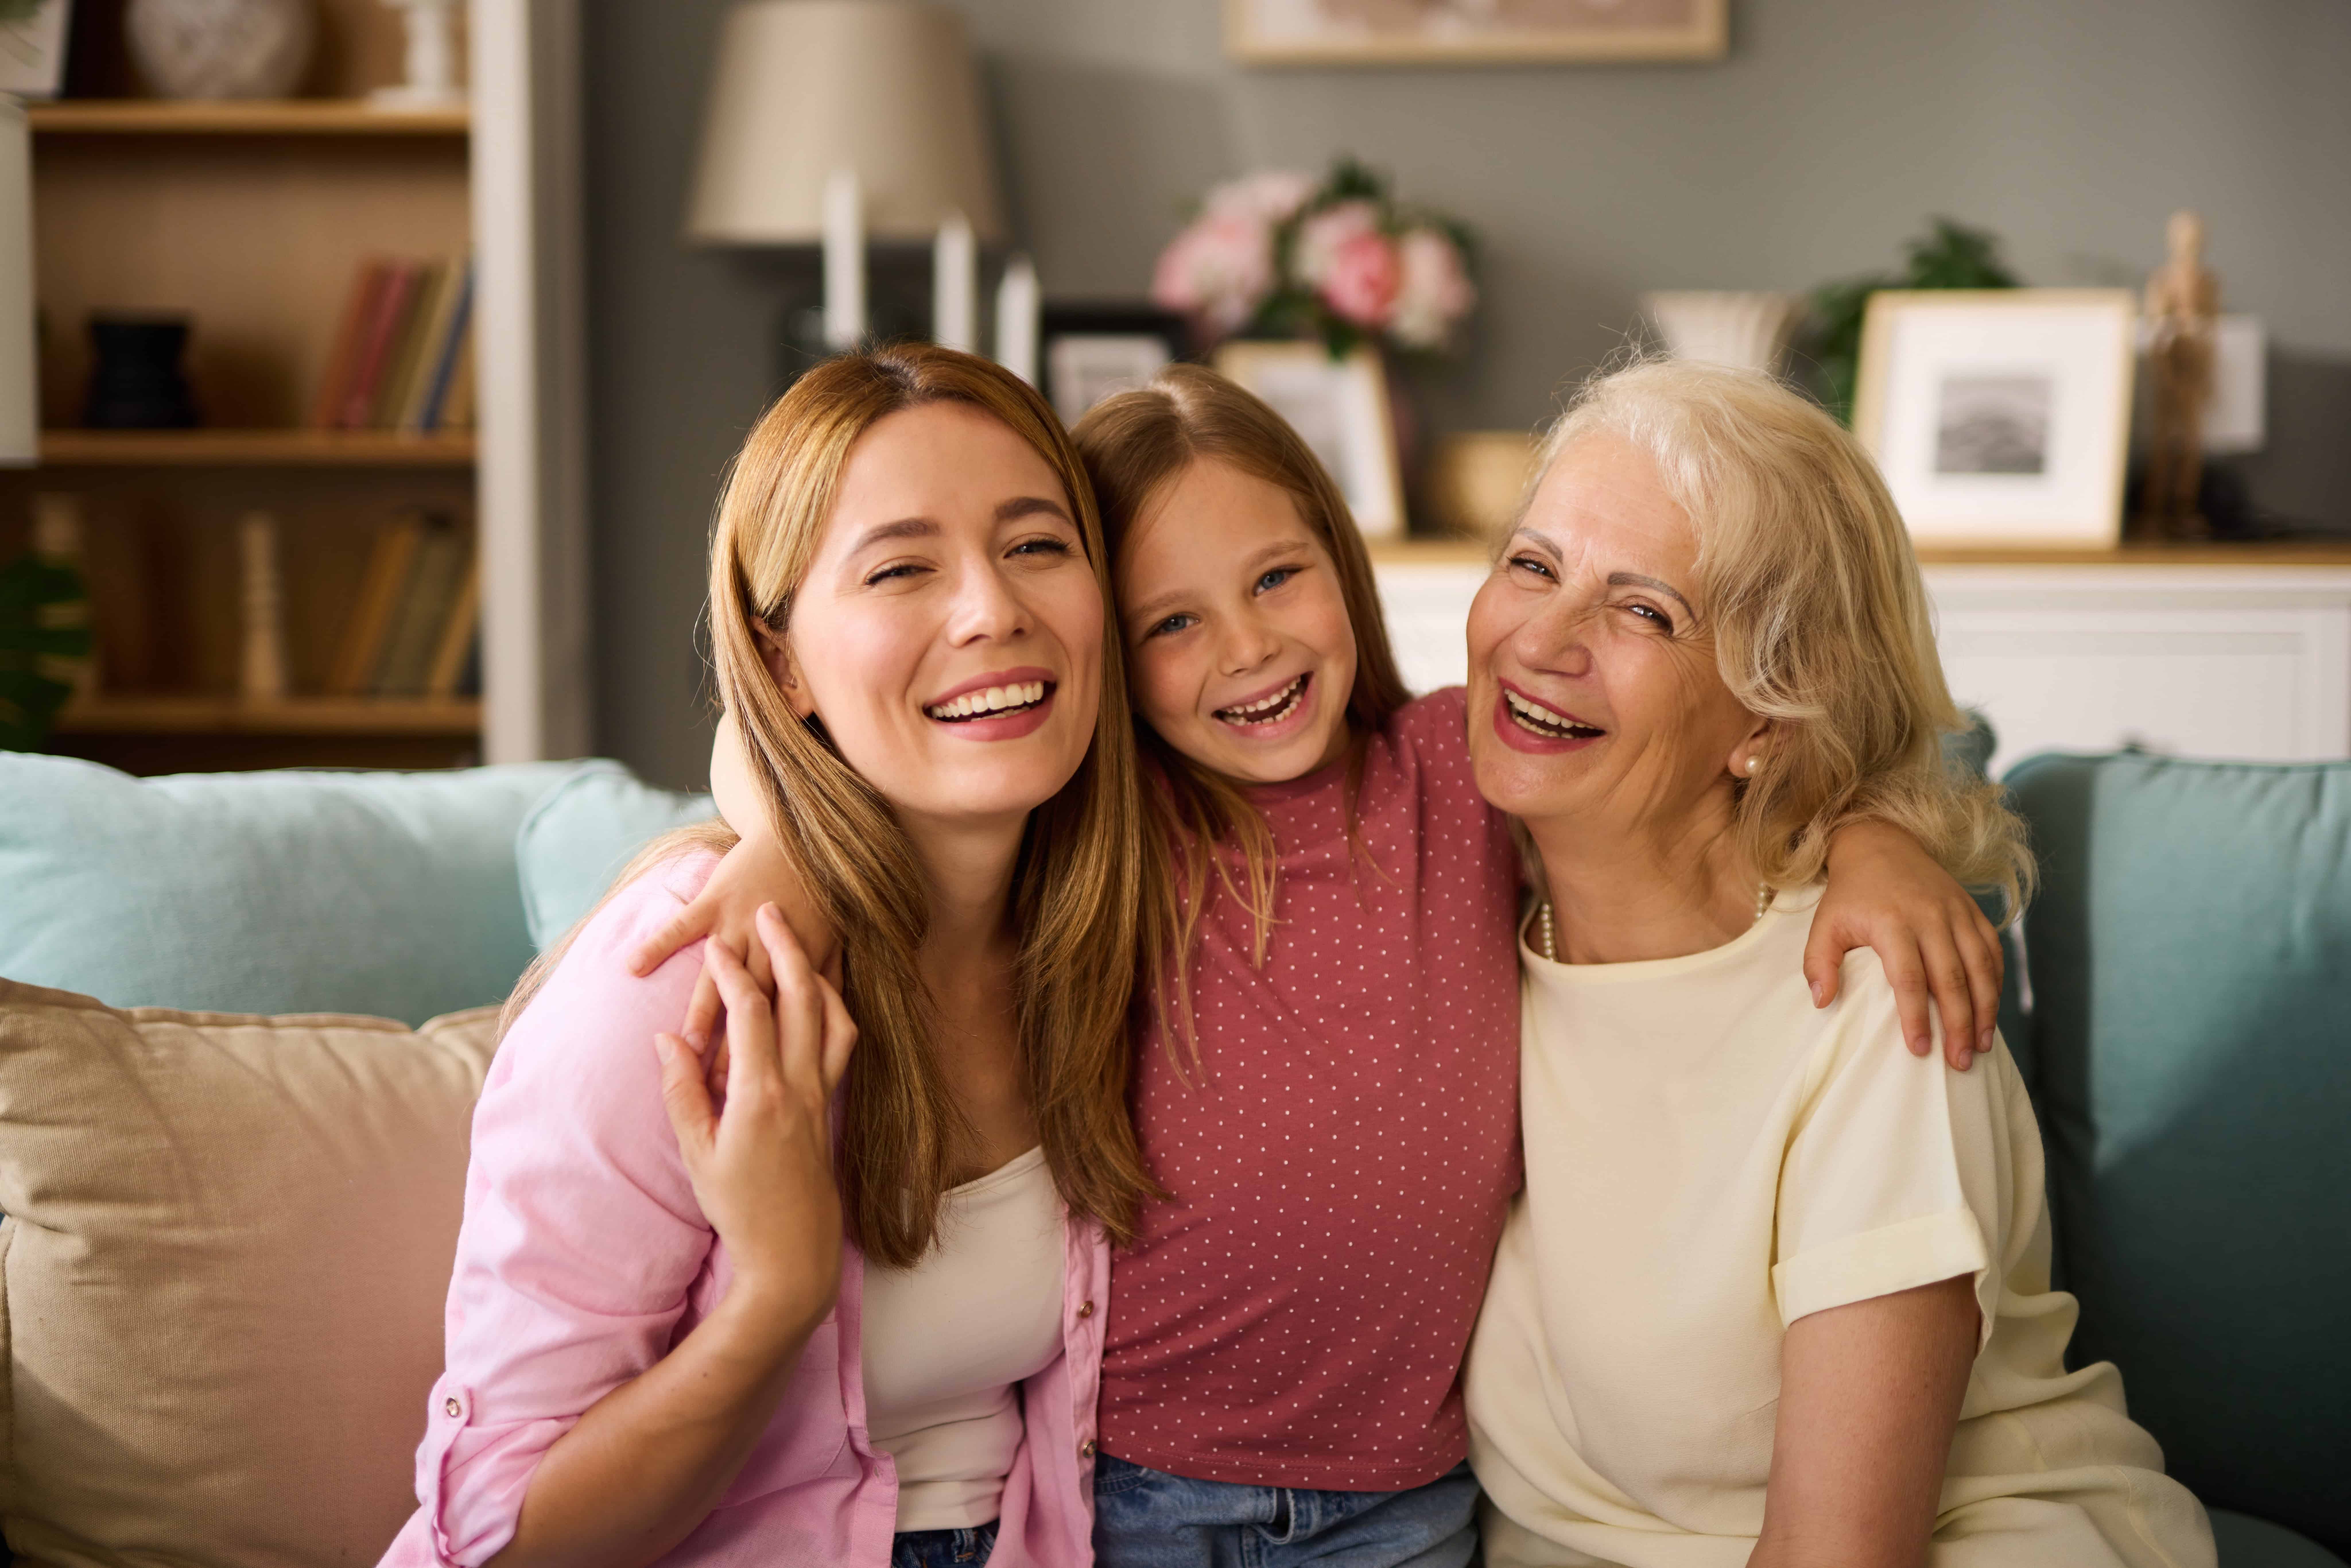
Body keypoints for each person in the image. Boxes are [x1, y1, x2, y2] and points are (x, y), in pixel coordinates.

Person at [640, 364, 2008, 1568]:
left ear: (1338, 563)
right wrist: (780, 836)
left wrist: (1879, 841)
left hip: (1404, 1507)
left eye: (1277, 578)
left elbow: (1772, 739)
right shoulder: (1103, 830)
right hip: (1133, 1492)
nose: (1244, 647)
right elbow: (853, 741)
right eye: (1167, 624)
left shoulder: (1458, 780)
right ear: (1107, 652)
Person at [378, 344, 1158, 1568]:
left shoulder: (1120, 931)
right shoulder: (690, 980)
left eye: (1036, 545)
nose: (992, 609)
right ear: (783, 660)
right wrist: (774, 1297)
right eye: (902, 567)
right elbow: (506, 1541)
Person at [1462, 358, 2215, 1568]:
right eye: (1530, 564)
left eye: (1644, 609)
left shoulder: (1872, 1000)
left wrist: (1870, 842)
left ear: (1764, 716)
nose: (1540, 639)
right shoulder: (1433, 897)